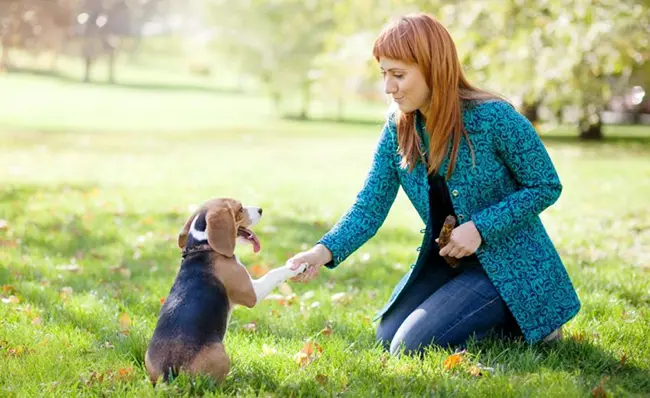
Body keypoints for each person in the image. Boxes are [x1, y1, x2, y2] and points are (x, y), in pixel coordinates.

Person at [286, 13, 580, 355]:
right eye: (384, 74)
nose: (388, 87)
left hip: (510, 268)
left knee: (409, 347)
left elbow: (545, 184)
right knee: (387, 335)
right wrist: (322, 252)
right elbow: (370, 206)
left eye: (398, 75)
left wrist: (481, 228)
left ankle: (526, 316)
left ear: (433, 67)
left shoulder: (494, 118)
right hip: (451, 266)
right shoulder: (398, 129)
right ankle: (493, 320)